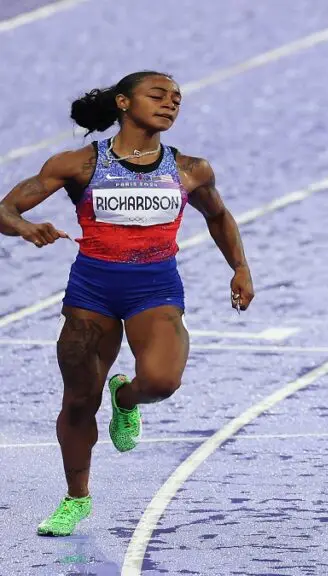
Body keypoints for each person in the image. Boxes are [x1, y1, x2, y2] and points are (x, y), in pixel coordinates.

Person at [0, 71, 254, 536]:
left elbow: (218, 216)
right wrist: (25, 228)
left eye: (177, 99)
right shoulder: (78, 164)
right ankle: (76, 499)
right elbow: (5, 209)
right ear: (122, 102)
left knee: (161, 381)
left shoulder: (189, 169)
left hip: (154, 290)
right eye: (157, 96)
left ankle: (125, 396)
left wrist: (239, 267)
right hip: (91, 294)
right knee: (78, 400)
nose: (169, 104)